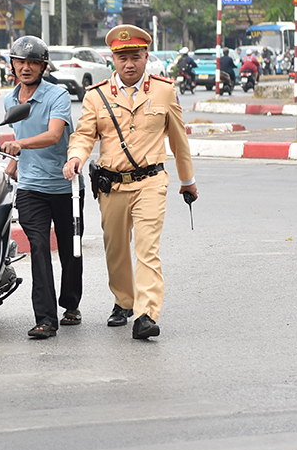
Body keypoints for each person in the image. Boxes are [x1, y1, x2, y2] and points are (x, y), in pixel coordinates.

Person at [63, 24, 197, 340]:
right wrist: (76, 157)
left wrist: (187, 181)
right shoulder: (96, 97)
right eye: (122, 58)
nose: (129, 64)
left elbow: (178, 140)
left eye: (135, 56)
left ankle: (145, 314)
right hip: (112, 186)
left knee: (147, 249)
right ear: (113, 59)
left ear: (146, 56)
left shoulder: (164, 90)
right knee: (116, 249)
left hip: (151, 182)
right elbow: (84, 134)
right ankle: (124, 301)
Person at [3, 36, 80, 340]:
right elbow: (18, 139)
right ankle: (45, 319)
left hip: (65, 185)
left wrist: (19, 144)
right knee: (38, 248)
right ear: (12, 64)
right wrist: (11, 166)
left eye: (33, 62)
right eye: (20, 61)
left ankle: (71, 304)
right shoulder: (10, 100)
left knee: (70, 249)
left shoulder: (57, 95)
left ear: (43, 67)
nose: (26, 67)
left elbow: (52, 135)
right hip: (31, 187)